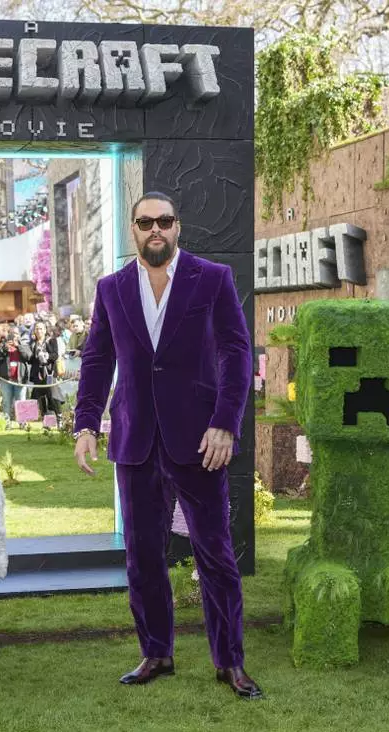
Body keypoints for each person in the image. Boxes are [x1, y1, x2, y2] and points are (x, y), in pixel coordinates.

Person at [71, 191, 260, 700]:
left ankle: (230, 661)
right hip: (135, 439)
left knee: (215, 554)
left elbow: (237, 351)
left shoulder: (212, 278)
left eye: (165, 220)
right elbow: (97, 359)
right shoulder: (111, 288)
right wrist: (85, 425)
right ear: (132, 229)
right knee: (142, 556)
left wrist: (225, 423)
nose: (155, 229)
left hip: (201, 440)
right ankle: (156, 653)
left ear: (178, 227)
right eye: (145, 222)